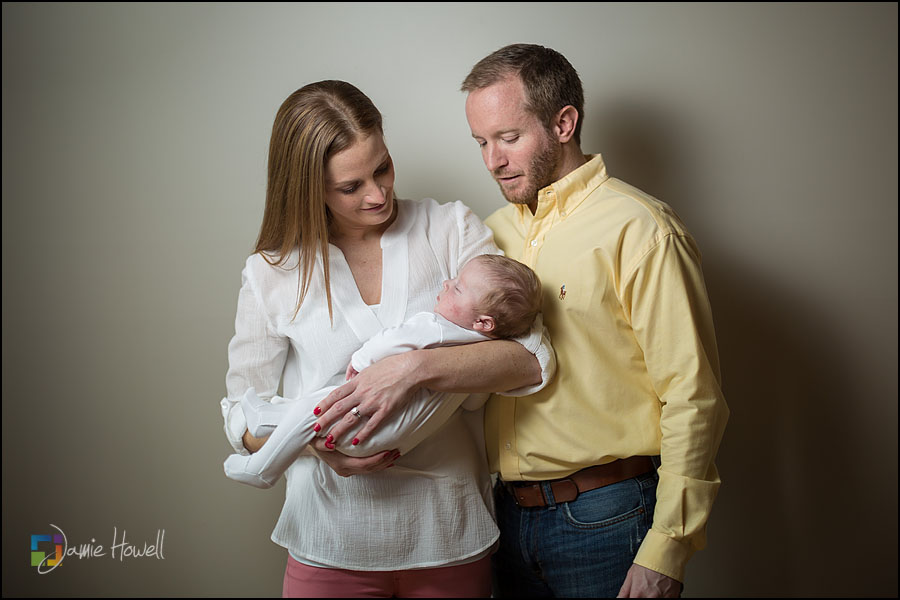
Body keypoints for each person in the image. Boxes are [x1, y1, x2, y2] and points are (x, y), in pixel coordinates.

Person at [220, 80, 555, 598]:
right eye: (350, 187)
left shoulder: (448, 229)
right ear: (309, 188)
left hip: (447, 528)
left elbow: (529, 357)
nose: (377, 194)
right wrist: (315, 448)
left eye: (382, 167)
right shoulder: (272, 272)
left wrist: (414, 369)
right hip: (330, 533)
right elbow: (243, 416)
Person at [459, 44, 730, 598]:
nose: (493, 161)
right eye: (481, 143)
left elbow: (693, 395)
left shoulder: (642, 229)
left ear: (564, 123)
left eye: (509, 138)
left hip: (609, 519)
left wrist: (668, 547)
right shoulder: (488, 236)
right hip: (504, 520)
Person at [223, 254, 542, 489]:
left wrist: (361, 362)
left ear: (483, 322)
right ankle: (267, 416)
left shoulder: (435, 328)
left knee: (317, 406)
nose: (446, 283)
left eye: (457, 288)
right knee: (311, 409)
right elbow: (474, 402)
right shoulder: (476, 352)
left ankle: (264, 467)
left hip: (364, 422)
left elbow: (391, 342)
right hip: (390, 440)